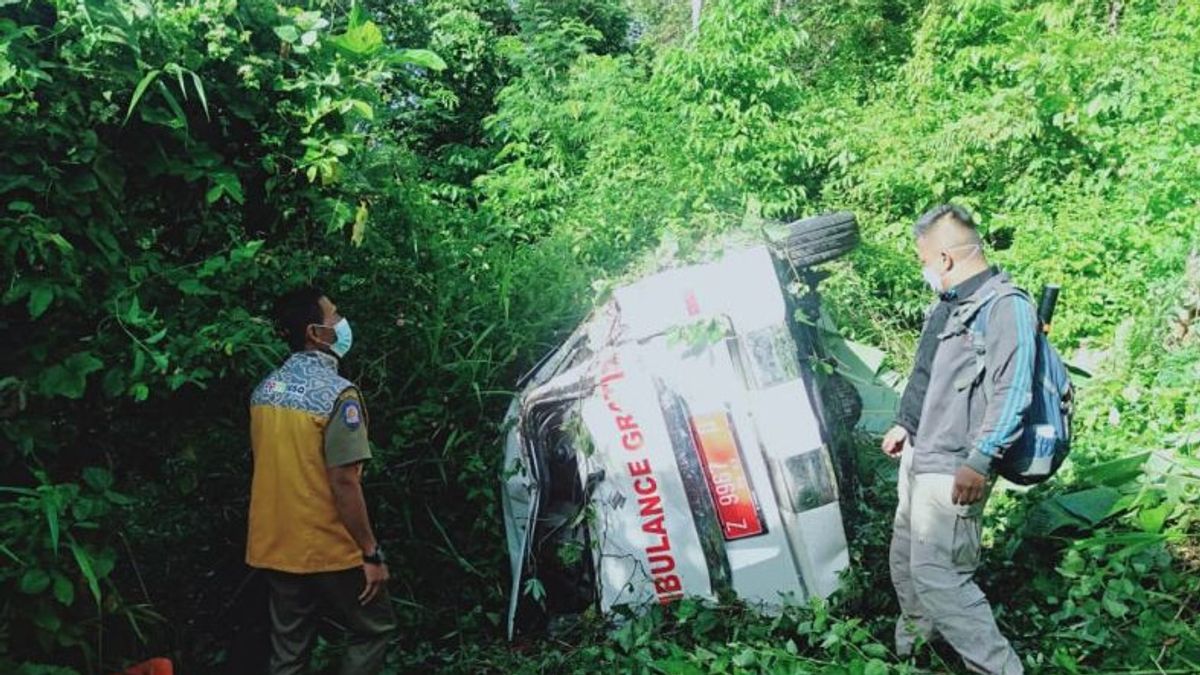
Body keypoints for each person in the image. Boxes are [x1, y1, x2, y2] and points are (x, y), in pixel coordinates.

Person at [880, 205, 1032, 675]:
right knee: (907, 562)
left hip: (954, 464)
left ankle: (999, 669)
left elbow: (1015, 389)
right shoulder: (951, 303)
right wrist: (906, 422)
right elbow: (931, 374)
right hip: (921, 453)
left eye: (924, 259)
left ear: (944, 258)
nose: (923, 269)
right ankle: (917, 655)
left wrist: (981, 459)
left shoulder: (1006, 306)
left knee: (939, 577)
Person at [246, 287, 396, 675]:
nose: (342, 323)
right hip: (327, 545)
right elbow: (344, 481)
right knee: (373, 629)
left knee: (289, 652)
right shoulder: (337, 396)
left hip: (275, 543)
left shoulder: (265, 390)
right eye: (334, 316)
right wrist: (370, 552)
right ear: (316, 332)